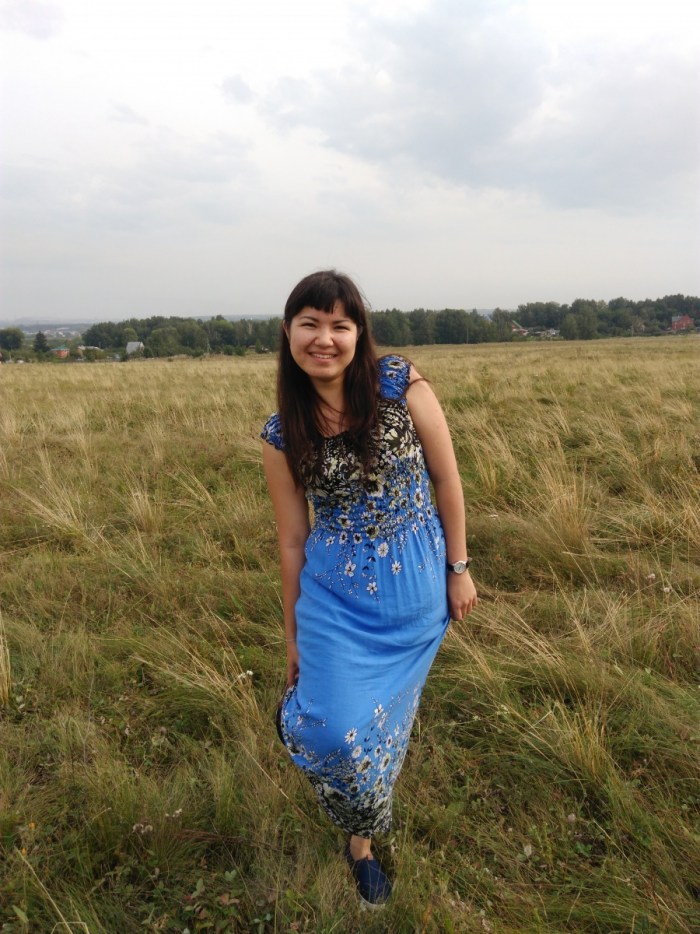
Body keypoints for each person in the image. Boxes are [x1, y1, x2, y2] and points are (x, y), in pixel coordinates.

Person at [261, 270, 477, 907]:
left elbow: (447, 479)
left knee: (385, 725)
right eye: (310, 323)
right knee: (331, 732)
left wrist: (458, 569)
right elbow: (292, 542)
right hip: (335, 600)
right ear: (288, 332)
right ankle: (361, 840)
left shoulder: (398, 383)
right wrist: (293, 636)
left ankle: (360, 833)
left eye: (339, 325)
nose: (324, 338)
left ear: (359, 333)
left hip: (415, 599)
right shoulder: (282, 434)